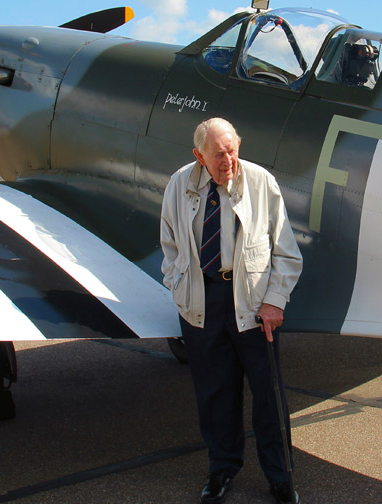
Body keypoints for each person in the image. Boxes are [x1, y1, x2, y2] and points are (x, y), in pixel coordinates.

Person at [160, 117, 304, 504]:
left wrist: (275, 301)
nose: (228, 161)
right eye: (219, 154)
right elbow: (170, 245)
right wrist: (179, 288)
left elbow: (286, 251)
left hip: (254, 307)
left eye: (233, 150)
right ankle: (221, 470)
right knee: (215, 395)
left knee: (269, 398)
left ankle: (280, 477)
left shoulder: (260, 181)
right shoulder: (179, 184)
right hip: (202, 304)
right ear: (199, 155)